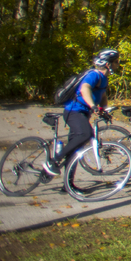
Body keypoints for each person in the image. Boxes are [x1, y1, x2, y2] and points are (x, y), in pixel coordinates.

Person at [44, 50, 120, 178]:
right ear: (108, 64)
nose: (118, 64)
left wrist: (104, 110)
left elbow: (102, 95)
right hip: (73, 111)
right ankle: (54, 160)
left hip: (82, 112)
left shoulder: (104, 78)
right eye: (116, 62)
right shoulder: (94, 75)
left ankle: (68, 185)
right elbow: (85, 88)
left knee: (75, 150)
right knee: (86, 134)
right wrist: (93, 106)